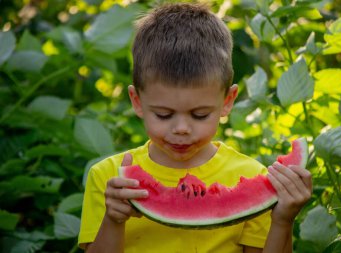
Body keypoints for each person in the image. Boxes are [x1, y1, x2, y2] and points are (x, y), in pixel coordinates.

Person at [78, 3, 312, 253]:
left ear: (227, 102)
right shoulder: (110, 178)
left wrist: (283, 220)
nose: (181, 128)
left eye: (199, 115)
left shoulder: (254, 175)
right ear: (137, 101)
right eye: (163, 114)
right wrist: (113, 220)